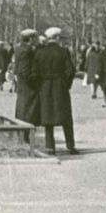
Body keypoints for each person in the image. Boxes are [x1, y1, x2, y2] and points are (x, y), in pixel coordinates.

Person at [35, 27, 78, 155]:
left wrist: (40, 85)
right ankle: (70, 145)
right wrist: (66, 84)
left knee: (48, 118)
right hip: (60, 87)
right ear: (57, 38)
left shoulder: (40, 52)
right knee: (66, 118)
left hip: (45, 86)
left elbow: (34, 72)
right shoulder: (64, 52)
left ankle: (50, 147)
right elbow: (70, 71)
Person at [14, 30, 40, 129]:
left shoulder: (18, 48)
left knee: (21, 106)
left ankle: (22, 129)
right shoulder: (28, 51)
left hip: (21, 84)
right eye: (35, 38)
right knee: (28, 109)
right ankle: (26, 132)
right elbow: (25, 70)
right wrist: (34, 81)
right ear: (31, 39)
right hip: (28, 85)